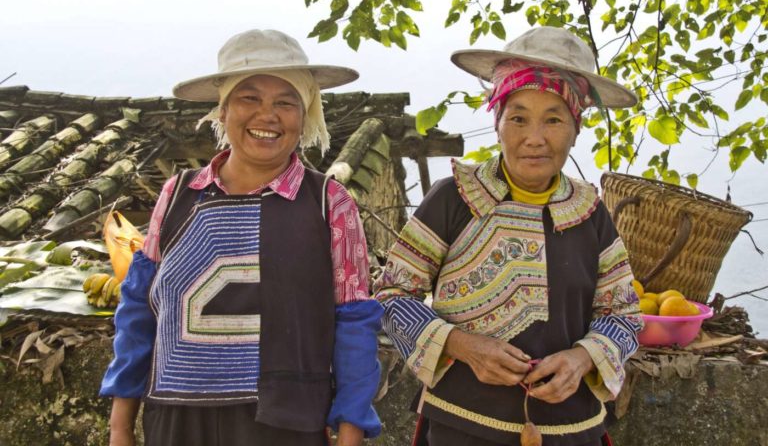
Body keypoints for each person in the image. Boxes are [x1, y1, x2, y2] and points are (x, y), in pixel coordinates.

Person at [100, 29, 383, 446]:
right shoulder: (178, 195)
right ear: (223, 110)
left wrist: (351, 432)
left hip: (286, 423)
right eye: (249, 98)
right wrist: (120, 426)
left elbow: (354, 322)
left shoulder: (329, 203)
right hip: (176, 422)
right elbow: (140, 312)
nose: (267, 116)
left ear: (304, 116)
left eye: (285, 102)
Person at [373, 26, 643, 446]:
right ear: (497, 122)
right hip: (461, 427)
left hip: (571, 431)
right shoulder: (453, 200)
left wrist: (581, 357)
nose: (534, 138)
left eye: (553, 119)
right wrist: (462, 345)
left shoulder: (591, 213)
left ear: (576, 127)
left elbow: (623, 314)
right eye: (517, 118)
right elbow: (393, 296)